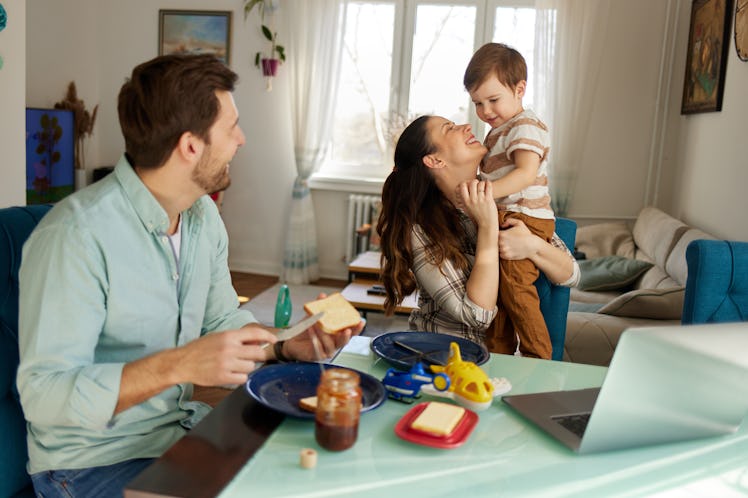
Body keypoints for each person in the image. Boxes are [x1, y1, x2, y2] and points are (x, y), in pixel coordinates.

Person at [16, 54, 362, 497]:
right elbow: (45, 394)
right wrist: (178, 363)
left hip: (176, 431)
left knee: (310, 475)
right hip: (90, 462)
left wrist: (282, 344)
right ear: (191, 146)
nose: (241, 139)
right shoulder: (76, 236)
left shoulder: (201, 216)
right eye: (231, 127)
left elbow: (220, 322)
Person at [377, 115, 579, 349]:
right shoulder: (421, 228)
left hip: (503, 364)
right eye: (449, 128)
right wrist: (488, 227)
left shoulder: (506, 196)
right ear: (434, 160)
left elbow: (572, 275)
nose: (466, 127)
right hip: (443, 358)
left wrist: (532, 246)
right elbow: (477, 315)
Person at [463, 42, 556, 358]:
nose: (485, 111)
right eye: (477, 103)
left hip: (526, 218)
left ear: (520, 89)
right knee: (498, 296)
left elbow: (525, 174)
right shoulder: (499, 128)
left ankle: (540, 358)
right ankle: (498, 356)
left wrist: (485, 193)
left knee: (516, 291)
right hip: (504, 215)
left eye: (493, 100)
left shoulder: (525, 125)